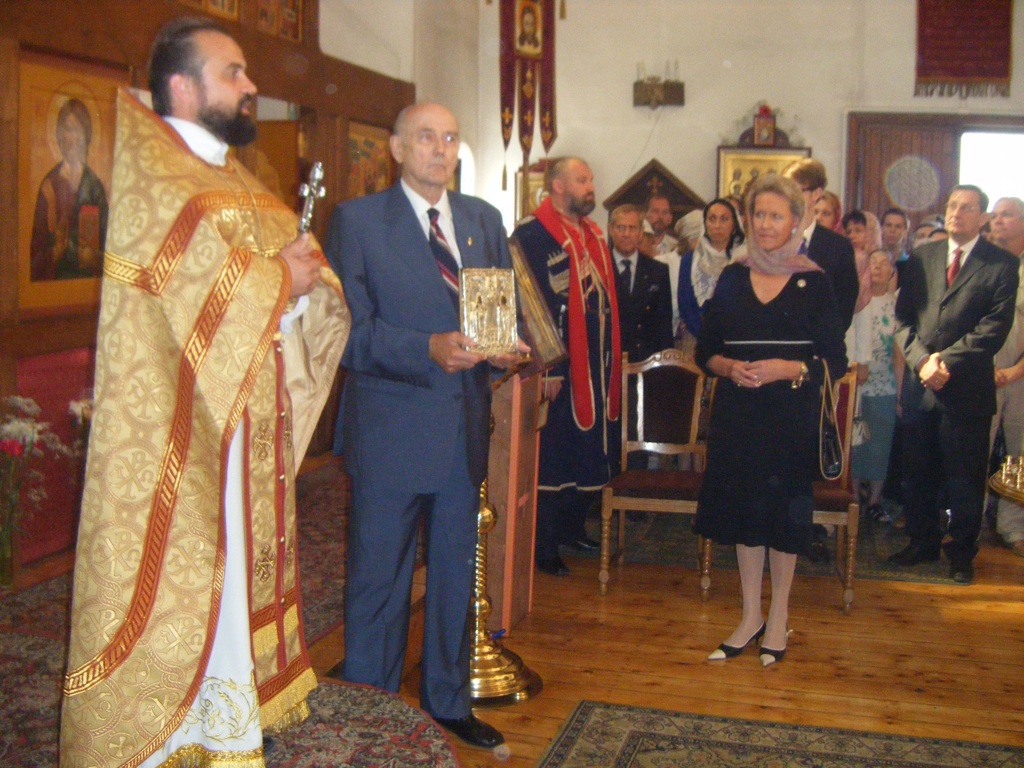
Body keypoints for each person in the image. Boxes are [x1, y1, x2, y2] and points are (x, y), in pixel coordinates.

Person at [60, 17, 349, 766]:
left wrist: (303, 282)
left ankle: (225, 729)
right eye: (234, 72)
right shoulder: (157, 176)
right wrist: (281, 278)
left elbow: (279, 286)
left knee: (230, 601)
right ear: (182, 87)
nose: (251, 87)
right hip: (181, 439)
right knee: (189, 595)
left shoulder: (233, 178)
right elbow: (190, 298)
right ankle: (162, 741)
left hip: (243, 435)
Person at [325, 102, 522, 750]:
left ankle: (447, 701)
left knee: (454, 578)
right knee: (379, 580)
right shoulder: (356, 222)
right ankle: (370, 711)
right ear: (397, 148)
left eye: (450, 138)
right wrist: (426, 348)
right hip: (389, 431)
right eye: (426, 138)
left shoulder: (483, 220)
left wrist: (503, 347)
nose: (440, 149)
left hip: (461, 431)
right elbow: (346, 334)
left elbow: (496, 310)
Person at [694, 174, 846, 666]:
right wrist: (727, 367)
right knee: (744, 516)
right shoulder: (733, 277)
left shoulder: (815, 280)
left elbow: (836, 359)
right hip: (739, 414)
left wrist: (790, 368)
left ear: (796, 222)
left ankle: (778, 615)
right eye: (758, 214)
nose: (765, 224)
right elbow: (705, 351)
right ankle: (748, 615)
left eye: (776, 215)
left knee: (782, 517)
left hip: (790, 415)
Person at [890, 185, 1018, 584]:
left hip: (967, 390)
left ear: (982, 218)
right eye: (951, 206)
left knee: (964, 477)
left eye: (966, 208)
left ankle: (961, 552)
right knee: (918, 471)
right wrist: (922, 361)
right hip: (921, 386)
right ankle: (922, 541)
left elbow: (993, 328)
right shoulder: (922, 258)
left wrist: (944, 361)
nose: (956, 213)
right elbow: (902, 321)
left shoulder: (1000, 263)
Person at [514, 156, 621, 577]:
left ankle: (573, 527)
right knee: (554, 454)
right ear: (557, 186)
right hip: (560, 365)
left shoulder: (592, 233)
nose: (590, 185)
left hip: (595, 365)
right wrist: (547, 365)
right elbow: (529, 303)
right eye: (582, 179)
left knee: (586, 452)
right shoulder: (532, 234)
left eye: (591, 179)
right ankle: (544, 544)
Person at [30, 97, 108, 280]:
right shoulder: (49, 186)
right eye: (65, 129)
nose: (70, 138)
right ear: (58, 135)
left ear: (86, 136)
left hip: (89, 288)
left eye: (75, 130)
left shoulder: (94, 187)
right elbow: (35, 255)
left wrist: (95, 257)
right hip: (55, 285)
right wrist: (55, 250)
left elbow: (112, 247)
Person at [850, 249, 903, 521]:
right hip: (858, 386)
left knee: (880, 444)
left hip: (885, 385)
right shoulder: (857, 301)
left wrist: (900, 396)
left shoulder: (897, 304)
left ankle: (875, 500)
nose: (879, 268)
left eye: (885, 263)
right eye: (874, 263)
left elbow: (900, 353)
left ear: (893, 269)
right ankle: (854, 495)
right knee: (856, 443)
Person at [782, 158, 859, 332]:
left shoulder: (838, 247)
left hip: (819, 346)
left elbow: (843, 307)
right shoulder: (772, 240)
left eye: (795, 190)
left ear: (816, 194)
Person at [988, 197, 1024, 556]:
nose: (998, 222)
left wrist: (1014, 371)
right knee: (976, 451)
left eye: (1007, 215)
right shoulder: (984, 264)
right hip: (982, 374)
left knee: (1020, 454)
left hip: (1021, 377)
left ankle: (1013, 529)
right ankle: (966, 525)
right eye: (995, 216)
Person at [677, 198, 746, 355]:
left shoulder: (746, 259)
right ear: (705, 224)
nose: (717, 225)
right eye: (712, 219)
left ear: (734, 225)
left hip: (735, 338)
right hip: (696, 336)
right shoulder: (690, 259)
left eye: (724, 219)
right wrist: (706, 335)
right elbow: (685, 303)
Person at [609, 204, 674, 362]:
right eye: (621, 228)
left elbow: (664, 325)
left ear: (640, 232)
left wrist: (664, 366)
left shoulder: (658, 271)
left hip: (646, 362)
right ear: (610, 230)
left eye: (632, 228)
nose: (626, 234)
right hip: (609, 361)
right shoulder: (598, 267)